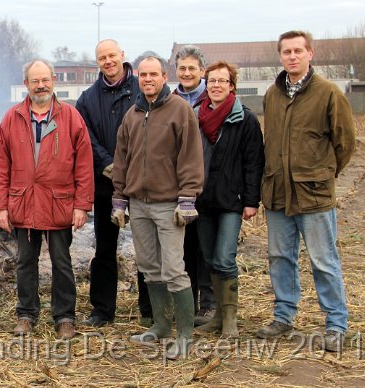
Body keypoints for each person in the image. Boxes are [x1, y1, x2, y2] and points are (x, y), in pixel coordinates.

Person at [257, 30, 355, 353]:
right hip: (278, 194)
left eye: (298, 50)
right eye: (286, 51)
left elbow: (345, 143)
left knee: (323, 260)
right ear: (281, 56)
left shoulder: (328, 93)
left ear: (310, 54)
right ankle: (284, 315)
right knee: (280, 257)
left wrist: (323, 174)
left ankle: (336, 323)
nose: (292, 56)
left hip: (313, 195)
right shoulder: (272, 94)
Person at [0, 59, 94, 340]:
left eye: (45, 80)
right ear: (26, 84)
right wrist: (0, 205)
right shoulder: (12, 118)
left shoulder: (71, 117)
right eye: (35, 81)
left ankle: (64, 317)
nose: (41, 85)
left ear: (53, 81)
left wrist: (82, 205)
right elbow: (0, 165)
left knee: (62, 263)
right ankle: (26, 314)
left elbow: (84, 164)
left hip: (58, 202)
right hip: (23, 203)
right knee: (26, 262)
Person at [112, 56, 203, 359]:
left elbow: (191, 157)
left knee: (174, 269)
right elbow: (122, 159)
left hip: (168, 205)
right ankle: (161, 326)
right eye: (143, 75)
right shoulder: (133, 114)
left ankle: (186, 335)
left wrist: (187, 198)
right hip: (139, 205)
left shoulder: (180, 111)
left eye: (154, 74)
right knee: (149, 268)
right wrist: (120, 199)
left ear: (165, 76)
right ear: (138, 77)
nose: (148, 79)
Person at [75, 39, 146, 327]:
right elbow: (85, 137)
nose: (108, 61)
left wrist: (132, 167)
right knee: (104, 249)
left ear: (122, 56)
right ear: (98, 63)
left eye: (112, 55)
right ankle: (102, 310)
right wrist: (108, 164)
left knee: (146, 248)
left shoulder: (143, 89)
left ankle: (150, 309)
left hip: (143, 183)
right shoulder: (88, 99)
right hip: (105, 185)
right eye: (102, 57)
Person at [192, 61, 264, 338]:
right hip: (203, 201)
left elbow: (254, 162)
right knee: (209, 259)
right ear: (206, 84)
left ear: (231, 86)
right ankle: (219, 317)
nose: (217, 86)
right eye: (212, 81)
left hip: (231, 201)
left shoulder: (244, 119)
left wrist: (251, 200)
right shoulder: (196, 116)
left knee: (224, 259)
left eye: (223, 81)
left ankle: (231, 319)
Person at [172, 45, 216, 325]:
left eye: (192, 68)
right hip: (177, 187)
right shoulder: (170, 101)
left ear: (202, 71)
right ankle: (187, 305)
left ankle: (209, 304)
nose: (187, 73)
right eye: (182, 68)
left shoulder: (212, 100)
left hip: (208, 186)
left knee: (206, 248)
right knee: (183, 249)